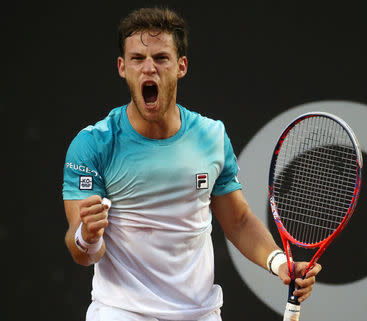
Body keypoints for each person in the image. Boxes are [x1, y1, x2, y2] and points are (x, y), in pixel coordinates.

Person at [63, 7, 321, 321]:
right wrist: (87, 235)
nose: (149, 69)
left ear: (181, 66)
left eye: (161, 58)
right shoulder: (94, 145)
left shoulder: (211, 136)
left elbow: (238, 222)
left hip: (199, 313)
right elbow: (83, 253)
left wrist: (280, 263)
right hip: (121, 312)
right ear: (122, 67)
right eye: (137, 59)